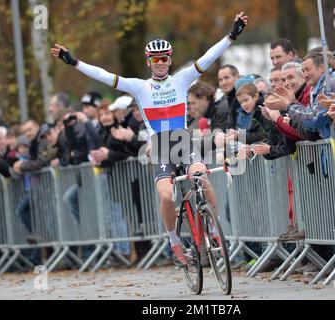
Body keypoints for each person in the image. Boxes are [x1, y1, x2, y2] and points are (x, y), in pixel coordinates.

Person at [51, 11, 248, 266]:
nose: (161, 63)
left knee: (201, 176)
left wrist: (231, 35)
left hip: (182, 141)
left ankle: (212, 229)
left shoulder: (182, 79)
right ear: (149, 62)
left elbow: (208, 57)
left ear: (169, 60)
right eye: (156, 59)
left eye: (165, 58)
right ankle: (175, 242)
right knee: (166, 196)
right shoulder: (138, 87)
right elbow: (103, 75)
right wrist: (75, 62)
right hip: (161, 146)